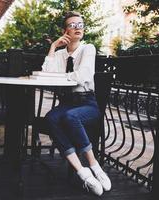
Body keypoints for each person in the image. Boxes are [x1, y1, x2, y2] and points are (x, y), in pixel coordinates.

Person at [41, 11, 111, 196]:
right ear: (66, 31)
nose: (77, 28)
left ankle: (95, 167)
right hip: (67, 102)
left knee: (70, 117)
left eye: (80, 25)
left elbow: (83, 76)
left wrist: (61, 76)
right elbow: (46, 74)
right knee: (50, 119)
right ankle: (83, 173)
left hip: (87, 102)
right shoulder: (60, 54)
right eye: (73, 25)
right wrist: (53, 46)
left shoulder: (88, 48)